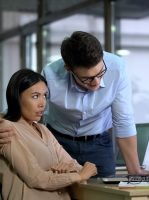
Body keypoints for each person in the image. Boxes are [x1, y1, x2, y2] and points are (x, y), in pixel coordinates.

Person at [0, 31, 148, 177]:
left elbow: (123, 120)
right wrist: (4, 123)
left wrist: (135, 171)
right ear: (68, 69)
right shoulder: (51, 75)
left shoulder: (117, 68)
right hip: (58, 142)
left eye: (101, 73)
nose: (96, 83)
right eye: (87, 79)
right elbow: (27, 107)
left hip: (99, 143)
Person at [0, 69, 97, 200]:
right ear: (16, 98)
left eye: (44, 95)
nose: (42, 103)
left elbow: (75, 165)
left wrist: (70, 169)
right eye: (35, 96)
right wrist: (78, 176)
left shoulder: (43, 129)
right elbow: (34, 177)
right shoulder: (7, 129)